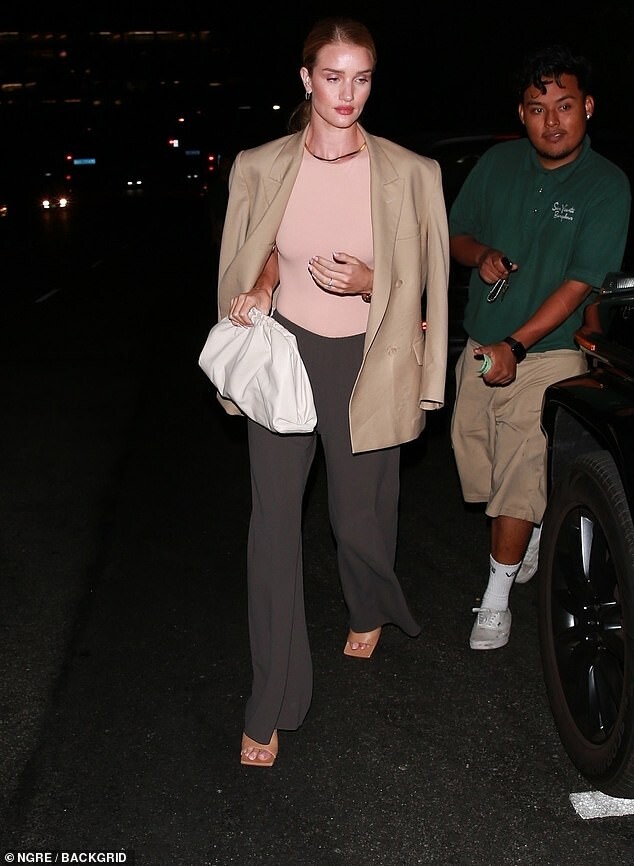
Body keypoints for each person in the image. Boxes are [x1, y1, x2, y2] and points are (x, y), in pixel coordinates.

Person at [214, 16, 449, 765]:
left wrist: (372, 281)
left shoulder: (412, 172)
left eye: (363, 78)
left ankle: (370, 600)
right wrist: (258, 288)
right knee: (272, 527)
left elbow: (428, 284)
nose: (348, 93)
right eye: (333, 76)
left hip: (365, 360)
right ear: (306, 78)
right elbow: (260, 252)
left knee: (357, 518)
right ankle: (270, 700)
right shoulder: (260, 165)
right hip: (286, 357)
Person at [448, 43, 631, 650]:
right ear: (521, 113)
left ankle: (495, 599)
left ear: (588, 107)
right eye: (537, 108)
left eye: (565, 106)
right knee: (477, 464)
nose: (552, 121)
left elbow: (580, 283)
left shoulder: (607, 185)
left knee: (520, 469)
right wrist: (482, 255)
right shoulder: (498, 164)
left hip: (546, 352)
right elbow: (454, 234)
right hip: (481, 342)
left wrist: (517, 346)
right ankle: (524, 529)